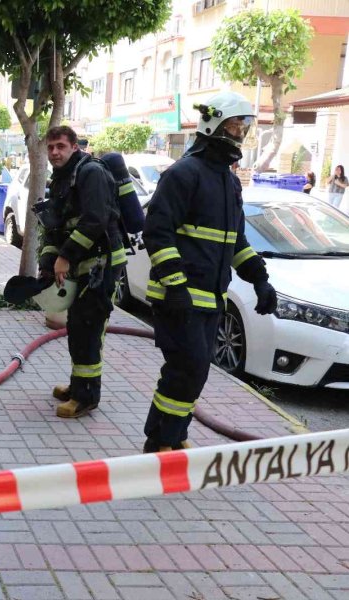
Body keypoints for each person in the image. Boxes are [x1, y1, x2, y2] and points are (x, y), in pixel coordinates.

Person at [141, 92, 277, 453]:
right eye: (235, 125)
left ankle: (171, 434)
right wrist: (176, 286)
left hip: (210, 298)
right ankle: (160, 442)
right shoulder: (183, 174)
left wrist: (260, 279)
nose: (240, 133)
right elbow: (157, 233)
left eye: (244, 126)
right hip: (177, 296)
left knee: (194, 370)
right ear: (213, 125)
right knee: (188, 367)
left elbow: (235, 241)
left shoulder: (229, 182)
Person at [36, 126, 127, 419]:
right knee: (78, 327)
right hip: (84, 264)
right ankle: (78, 386)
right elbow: (56, 226)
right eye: (51, 147)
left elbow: (95, 221)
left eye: (61, 146)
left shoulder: (91, 173)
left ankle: (86, 397)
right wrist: (48, 263)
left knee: (88, 329)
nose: (55, 152)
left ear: (74, 147)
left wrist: (65, 257)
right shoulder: (63, 178)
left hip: (102, 264)